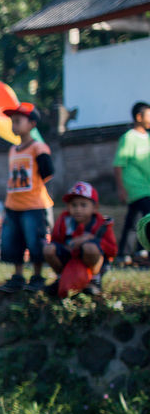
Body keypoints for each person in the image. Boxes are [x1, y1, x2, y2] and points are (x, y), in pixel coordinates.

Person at [0, 102, 54, 292]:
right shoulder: (13, 149)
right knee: (14, 241)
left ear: (32, 124)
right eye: (12, 122)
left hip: (34, 204)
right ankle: (18, 275)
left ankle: (37, 276)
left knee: (35, 241)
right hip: (13, 204)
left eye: (18, 121)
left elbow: (48, 172)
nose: (14, 125)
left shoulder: (39, 148)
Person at [43, 181, 117, 297]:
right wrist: (69, 246)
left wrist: (91, 239)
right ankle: (61, 278)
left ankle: (94, 281)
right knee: (48, 249)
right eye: (74, 205)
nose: (78, 209)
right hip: (70, 258)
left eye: (83, 205)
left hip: (92, 262)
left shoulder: (102, 224)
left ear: (94, 207)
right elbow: (55, 242)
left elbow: (113, 250)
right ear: (68, 207)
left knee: (90, 248)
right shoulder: (64, 220)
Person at [114, 101, 150, 263]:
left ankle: (124, 253)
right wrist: (121, 188)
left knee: (132, 220)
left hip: (147, 185)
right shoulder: (128, 138)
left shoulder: (147, 138)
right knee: (147, 217)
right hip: (135, 187)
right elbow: (118, 165)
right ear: (139, 117)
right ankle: (142, 249)